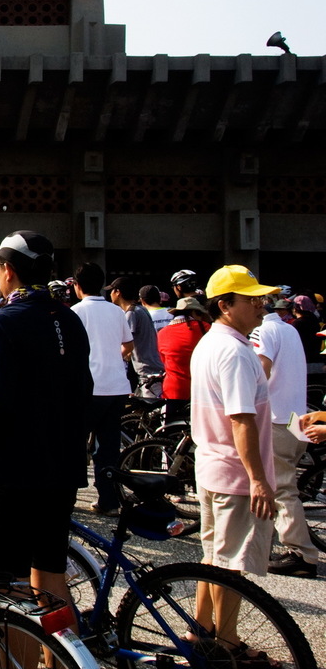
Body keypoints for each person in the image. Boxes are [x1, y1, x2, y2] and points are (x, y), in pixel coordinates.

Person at [0, 231, 91, 631]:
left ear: (8, 270)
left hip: (13, 469)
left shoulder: (3, 321)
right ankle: (63, 656)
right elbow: (84, 390)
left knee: (6, 584)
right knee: (50, 571)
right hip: (63, 465)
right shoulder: (69, 317)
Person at [189, 266, 279, 651]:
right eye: (251, 298)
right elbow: (241, 419)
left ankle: (201, 630)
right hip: (234, 473)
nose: (261, 305)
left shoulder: (211, 342)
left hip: (212, 467)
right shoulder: (236, 352)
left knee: (213, 557)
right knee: (229, 566)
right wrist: (258, 479)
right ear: (225, 305)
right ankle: (227, 644)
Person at [250, 293, 319, 578]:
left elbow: (260, 372)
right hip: (295, 418)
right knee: (281, 485)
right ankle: (272, 545)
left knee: (281, 489)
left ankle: (301, 553)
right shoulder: (289, 328)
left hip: (275, 419)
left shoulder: (262, 331)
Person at [71, 262, 133, 515]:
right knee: (108, 447)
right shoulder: (117, 312)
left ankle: (69, 496)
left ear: (77, 286)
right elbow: (128, 345)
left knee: (73, 444)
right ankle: (108, 501)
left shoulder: (75, 312)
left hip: (88, 389)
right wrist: (113, 358)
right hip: (117, 387)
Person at [157, 296, 210, 424]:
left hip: (172, 390)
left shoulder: (162, 333)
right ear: (193, 312)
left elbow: (163, 360)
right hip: (200, 389)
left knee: (171, 431)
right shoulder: (204, 328)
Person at [108, 276, 164, 396]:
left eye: (112, 290)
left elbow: (127, 344)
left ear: (118, 292)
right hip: (153, 366)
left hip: (147, 371)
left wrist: (111, 361)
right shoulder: (141, 309)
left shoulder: (131, 313)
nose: (110, 294)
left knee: (151, 408)